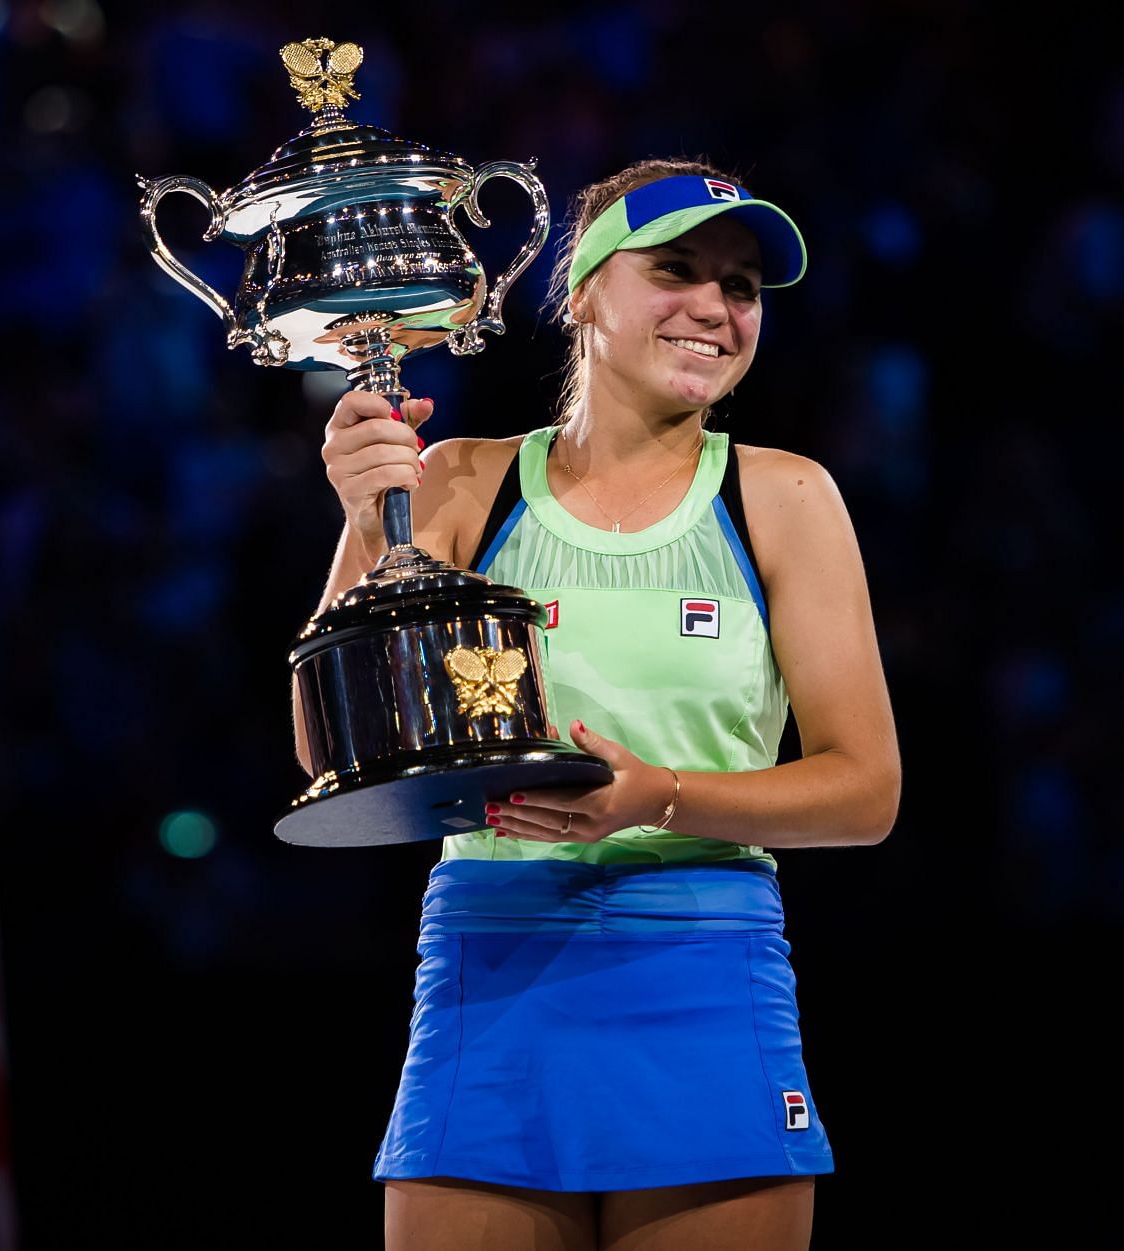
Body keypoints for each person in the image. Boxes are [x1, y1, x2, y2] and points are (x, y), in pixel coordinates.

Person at [311, 159, 901, 1251]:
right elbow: (333, 748)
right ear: (582, 291)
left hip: (704, 975)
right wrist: (363, 518)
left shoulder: (787, 496)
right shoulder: (457, 481)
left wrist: (657, 797)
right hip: (490, 971)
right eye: (676, 270)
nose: (716, 310)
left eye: (741, 287)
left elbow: (865, 793)